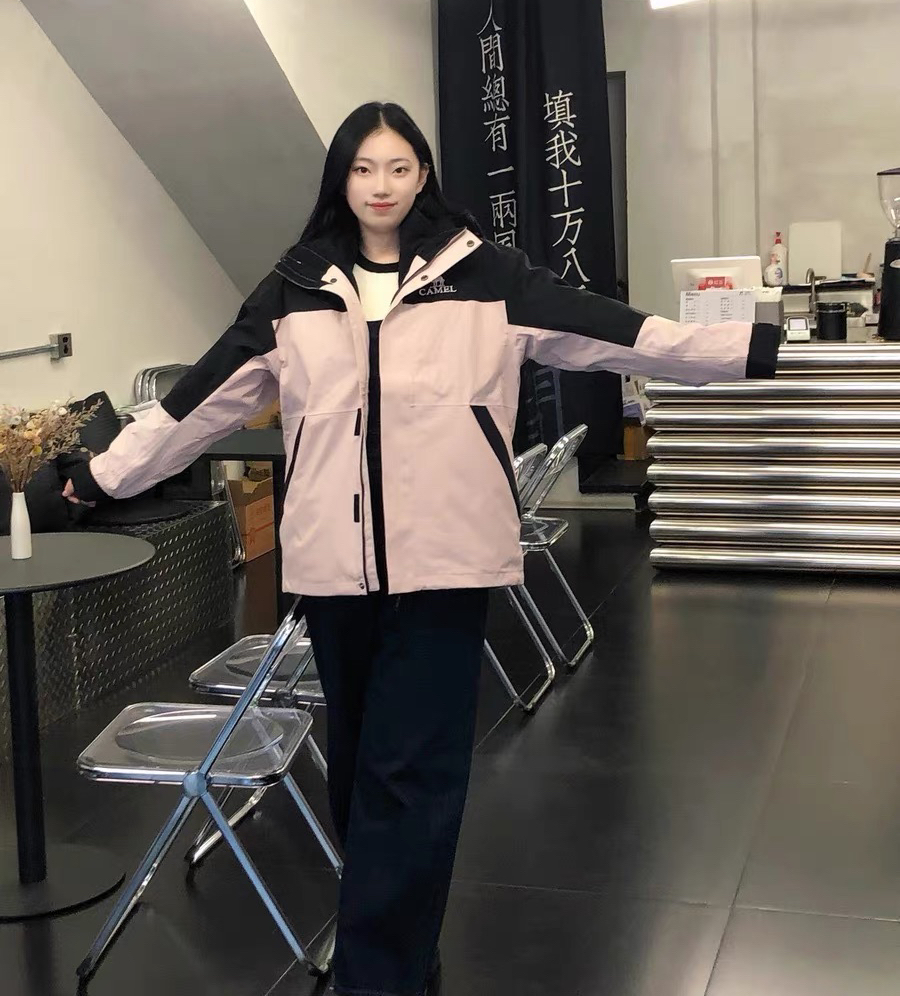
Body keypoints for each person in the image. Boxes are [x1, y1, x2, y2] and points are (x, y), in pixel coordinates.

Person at [64, 101, 780, 996]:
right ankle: (404, 950)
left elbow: (619, 333)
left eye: (399, 168)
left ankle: (377, 977)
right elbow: (199, 401)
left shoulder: (485, 277)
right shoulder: (295, 287)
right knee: (361, 772)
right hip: (335, 569)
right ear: (341, 179)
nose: (382, 186)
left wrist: (749, 347)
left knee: (413, 773)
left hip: (448, 560)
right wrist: (99, 478)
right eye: (364, 169)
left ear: (424, 175)